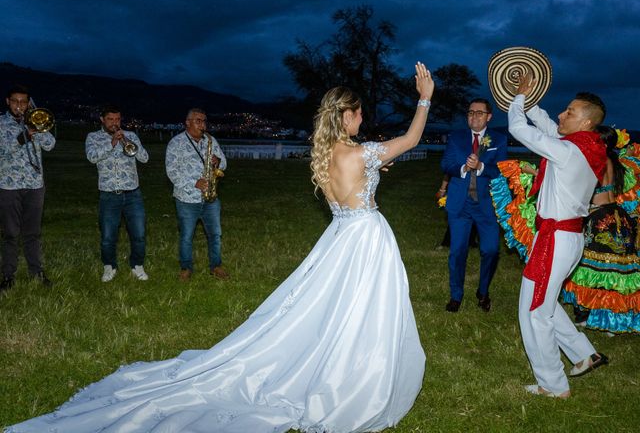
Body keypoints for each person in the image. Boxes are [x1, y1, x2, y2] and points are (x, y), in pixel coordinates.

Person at [6, 62, 433, 433]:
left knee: (331, 306)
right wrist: (424, 100)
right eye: (359, 114)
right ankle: (354, 374)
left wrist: (374, 163)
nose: (362, 120)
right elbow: (412, 139)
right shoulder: (362, 154)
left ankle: (336, 358)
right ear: (350, 115)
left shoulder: (327, 157)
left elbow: (354, 175)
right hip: (365, 238)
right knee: (365, 305)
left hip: (341, 237)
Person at [508, 71, 609, 398]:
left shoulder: (567, 151)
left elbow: (518, 128)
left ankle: (552, 384)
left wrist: (517, 101)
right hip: (566, 239)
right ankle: (584, 353)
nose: (562, 115)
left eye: (570, 112)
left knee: (534, 311)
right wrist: (531, 100)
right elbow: (547, 126)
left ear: (587, 123)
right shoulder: (585, 147)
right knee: (545, 304)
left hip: (555, 240)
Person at [562, 125, 640, 334]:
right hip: (619, 216)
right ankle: (612, 321)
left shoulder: (596, 161)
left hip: (598, 217)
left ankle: (586, 315)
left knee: (587, 268)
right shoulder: (618, 163)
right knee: (615, 271)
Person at [440, 99, 507, 312]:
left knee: (491, 250)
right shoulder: (456, 137)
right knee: (457, 251)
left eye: (479, 113)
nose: (474, 116)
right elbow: (446, 163)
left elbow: (501, 170)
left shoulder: (499, 139)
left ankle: (483, 291)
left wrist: (481, 167)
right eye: (470, 112)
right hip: (460, 204)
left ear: (489, 116)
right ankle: (456, 295)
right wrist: (462, 168)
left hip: (486, 205)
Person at [0, 85, 55, 291]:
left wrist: (36, 126)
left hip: (34, 185)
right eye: (15, 101)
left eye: (24, 102)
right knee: (10, 234)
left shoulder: (35, 121)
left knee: (32, 233)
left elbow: (50, 144)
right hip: (8, 185)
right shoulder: (1, 123)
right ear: (8, 102)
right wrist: (22, 138)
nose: (20, 106)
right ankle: (8, 276)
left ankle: (37, 272)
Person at [85, 105, 149, 282]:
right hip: (109, 195)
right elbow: (91, 157)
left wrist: (129, 141)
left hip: (133, 194)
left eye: (117, 119)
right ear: (102, 120)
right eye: (110, 119)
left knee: (139, 233)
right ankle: (109, 266)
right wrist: (111, 143)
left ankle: (137, 265)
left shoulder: (131, 136)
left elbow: (144, 158)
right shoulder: (93, 137)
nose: (114, 123)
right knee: (108, 236)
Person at [165, 108, 228, 281]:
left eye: (204, 121)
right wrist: (194, 183)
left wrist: (218, 162)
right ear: (187, 122)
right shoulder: (175, 143)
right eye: (198, 121)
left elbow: (224, 163)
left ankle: (216, 266)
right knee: (186, 236)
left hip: (210, 198)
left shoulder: (210, 140)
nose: (202, 125)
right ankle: (186, 268)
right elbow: (172, 171)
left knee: (215, 234)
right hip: (187, 199)